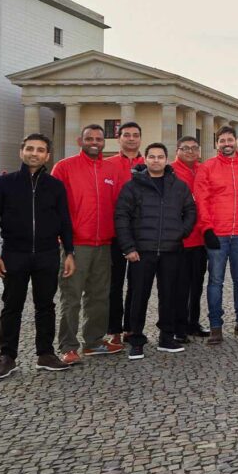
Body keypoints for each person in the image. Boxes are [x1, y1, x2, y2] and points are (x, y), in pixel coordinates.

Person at [0, 133, 75, 379]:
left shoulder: (55, 186)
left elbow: (65, 221)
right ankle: (7, 357)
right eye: (30, 149)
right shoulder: (4, 183)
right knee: (12, 306)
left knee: (45, 306)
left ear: (47, 155)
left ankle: (45, 354)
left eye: (40, 150)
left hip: (47, 254)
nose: (34, 153)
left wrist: (70, 252)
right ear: (21, 151)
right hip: (14, 254)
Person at [114, 143, 197, 360]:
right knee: (138, 295)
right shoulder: (132, 186)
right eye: (152, 156)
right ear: (146, 159)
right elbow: (121, 217)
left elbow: (190, 210)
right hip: (142, 251)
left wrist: (181, 232)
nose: (156, 160)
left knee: (168, 295)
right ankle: (136, 339)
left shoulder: (178, 186)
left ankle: (166, 337)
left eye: (160, 157)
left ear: (166, 159)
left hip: (171, 249)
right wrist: (128, 247)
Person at [51, 124, 124, 364]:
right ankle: (68, 346)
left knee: (99, 295)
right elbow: (54, 207)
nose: (94, 142)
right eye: (89, 138)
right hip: (75, 245)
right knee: (71, 297)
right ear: (80, 140)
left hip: (103, 243)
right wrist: (64, 243)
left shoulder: (111, 168)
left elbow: (118, 205)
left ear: (105, 141)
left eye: (99, 138)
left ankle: (93, 341)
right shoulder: (64, 167)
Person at [194, 125, 238, 344]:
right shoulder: (207, 167)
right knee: (216, 281)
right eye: (222, 141)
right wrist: (207, 228)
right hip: (217, 233)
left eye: (230, 140)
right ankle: (216, 325)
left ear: (236, 141)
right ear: (216, 143)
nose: (227, 144)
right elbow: (202, 199)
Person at [105, 121, 144, 346]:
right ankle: (114, 330)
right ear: (119, 138)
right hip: (114, 234)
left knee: (137, 284)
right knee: (113, 285)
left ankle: (132, 327)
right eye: (126, 135)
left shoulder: (149, 163)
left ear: (140, 138)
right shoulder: (108, 165)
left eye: (135, 135)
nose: (131, 138)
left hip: (141, 235)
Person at [171, 135, 208, 342]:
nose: (190, 152)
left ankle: (193, 322)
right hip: (180, 239)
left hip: (200, 238)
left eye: (194, 148)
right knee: (180, 285)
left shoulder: (203, 169)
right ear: (177, 150)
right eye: (185, 148)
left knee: (197, 283)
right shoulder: (171, 171)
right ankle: (178, 326)